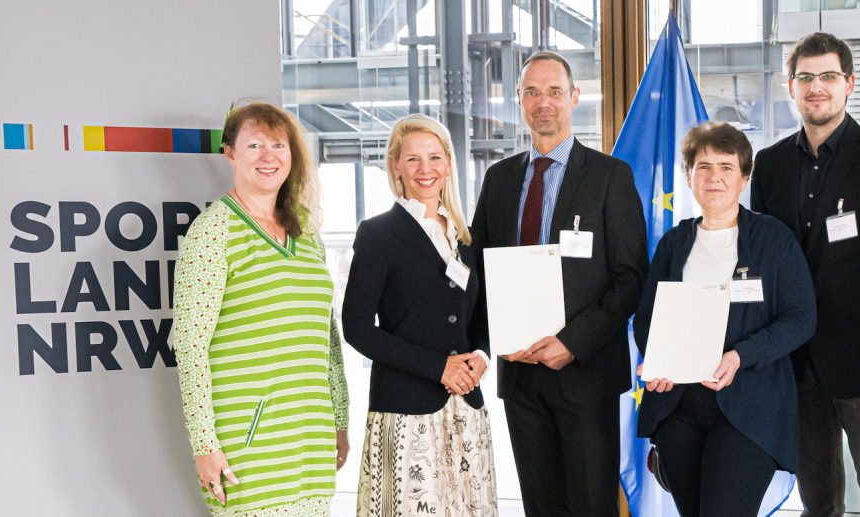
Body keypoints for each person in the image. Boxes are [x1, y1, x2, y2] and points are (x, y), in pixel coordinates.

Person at [749, 32, 860, 517]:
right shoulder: (767, 167)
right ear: (790, 87)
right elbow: (765, 269)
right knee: (818, 502)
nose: (816, 88)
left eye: (828, 76)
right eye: (805, 78)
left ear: (849, 84)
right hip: (797, 365)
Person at [467, 51, 649, 517]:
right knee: (540, 507)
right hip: (520, 376)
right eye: (531, 92)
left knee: (591, 506)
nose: (542, 102)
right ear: (520, 101)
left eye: (553, 92)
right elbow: (479, 274)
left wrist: (572, 342)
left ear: (574, 98)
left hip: (585, 375)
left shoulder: (611, 177)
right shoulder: (499, 179)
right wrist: (492, 341)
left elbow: (631, 280)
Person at [173, 102, 349, 516]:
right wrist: (204, 446)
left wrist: (338, 419)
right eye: (254, 145)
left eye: (278, 144)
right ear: (231, 154)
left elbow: (328, 337)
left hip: (310, 437)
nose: (268, 156)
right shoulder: (213, 232)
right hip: (248, 446)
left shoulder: (305, 233)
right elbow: (190, 347)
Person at [634, 122, 817, 516]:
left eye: (726, 167)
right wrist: (659, 360)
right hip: (678, 408)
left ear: (744, 177)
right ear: (689, 178)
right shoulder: (673, 243)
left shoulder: (774, 238)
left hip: (750, 407)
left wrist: (740, 355)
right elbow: (646, 318)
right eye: (703, 167)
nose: (714, 177)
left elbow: (801, 317)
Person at [342, 114, 497, 516]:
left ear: (448, 163)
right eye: (412, 159)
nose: (425, 169)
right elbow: (357, 328)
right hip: (405, 410)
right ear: (395, 166)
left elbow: (484, 318)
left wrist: (480, 357)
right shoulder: (377, 235)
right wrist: (437, 367)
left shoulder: (468, 236)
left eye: (434, 157)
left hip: (466, 406)